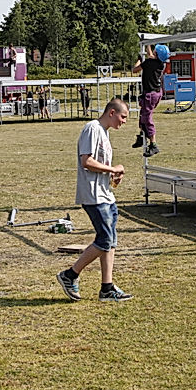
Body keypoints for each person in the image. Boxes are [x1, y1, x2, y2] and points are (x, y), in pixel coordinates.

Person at [56, 98, 132, 302]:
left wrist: (113, 175)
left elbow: (98, 165)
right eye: (123, 117)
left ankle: (107, 288)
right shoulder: (92, 128)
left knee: (111, 241)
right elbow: (86, 161)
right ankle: (69, 275)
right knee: (105, 239)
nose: (124, 122)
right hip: (93, 195)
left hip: (105, 193)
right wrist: (112, 168)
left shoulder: (104, 133)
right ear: (111, 113)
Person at [131, 43, 168, 157]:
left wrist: (139, 60)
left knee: (147, 118)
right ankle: (142, 136)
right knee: (143, 115)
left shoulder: (148, 63)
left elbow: (135, 70)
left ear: (156, 53)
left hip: (150, 94)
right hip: (157, 93)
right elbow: (151, 56)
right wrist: (148, 45)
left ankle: (153, 144)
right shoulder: (160, 64)